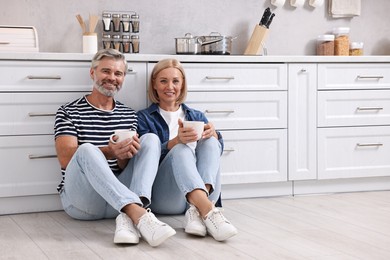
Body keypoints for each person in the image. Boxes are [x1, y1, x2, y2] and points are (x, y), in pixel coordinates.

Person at [54, 49, 175, 247]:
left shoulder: (128, 115)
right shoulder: (69, 111)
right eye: (106, 71)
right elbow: (66, 159)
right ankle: (140, 215)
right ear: (92, 73)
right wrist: (109, 151)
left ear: (123, 78)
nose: (112, 78)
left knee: (151, 139)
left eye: (118, 74)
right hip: (83, 202)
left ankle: (131, 214)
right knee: (86, 150)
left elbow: (125, 166)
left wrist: (123, 154)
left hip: (117, 202)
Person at [137, 58, 238, 241]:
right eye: (163, 81)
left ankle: (196, 209)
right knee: (181, 150)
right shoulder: (143, 118)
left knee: (211, 141)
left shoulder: (196, 115)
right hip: (167, 197)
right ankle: (208, 211)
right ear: (154, 84)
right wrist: (174, 142)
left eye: (175, 81)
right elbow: (143, 159)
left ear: (182, 84)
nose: (170, 86)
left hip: (196, 197)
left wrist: (215, 135)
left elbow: (214, 154)